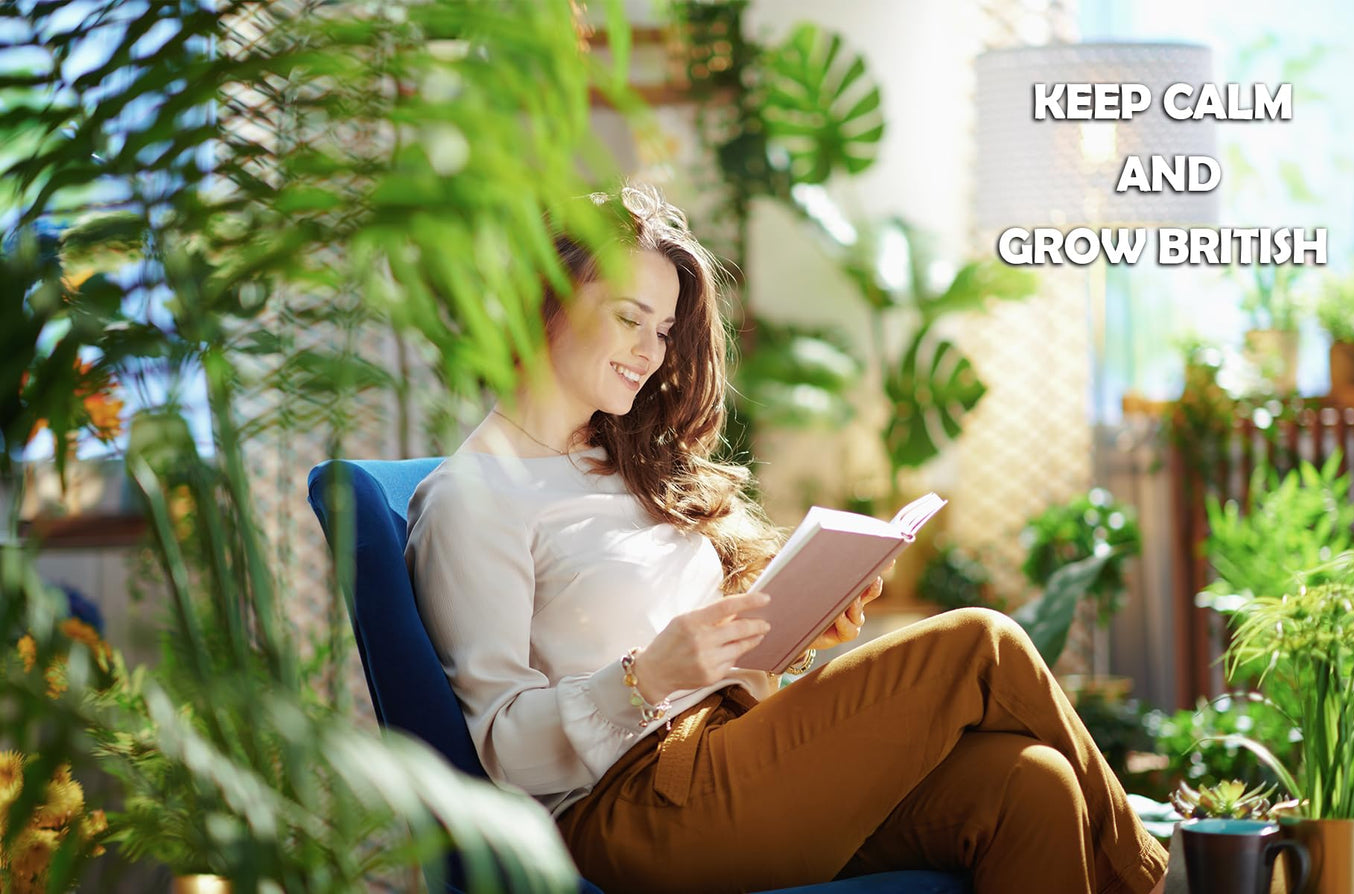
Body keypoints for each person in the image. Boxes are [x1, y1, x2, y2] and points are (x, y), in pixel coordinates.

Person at [404, 185, 1169, 894]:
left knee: (1030, 783)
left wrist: (786, 627)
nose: (651, 352)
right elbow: (496, 751)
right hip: (625, 806)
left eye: (665, 330)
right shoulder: (474, 499)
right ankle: (1170, 878)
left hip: (733, 751)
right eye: (629, 318)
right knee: (979, 641)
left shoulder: (617, 467)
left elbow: (696, 645)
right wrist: (644, 678)